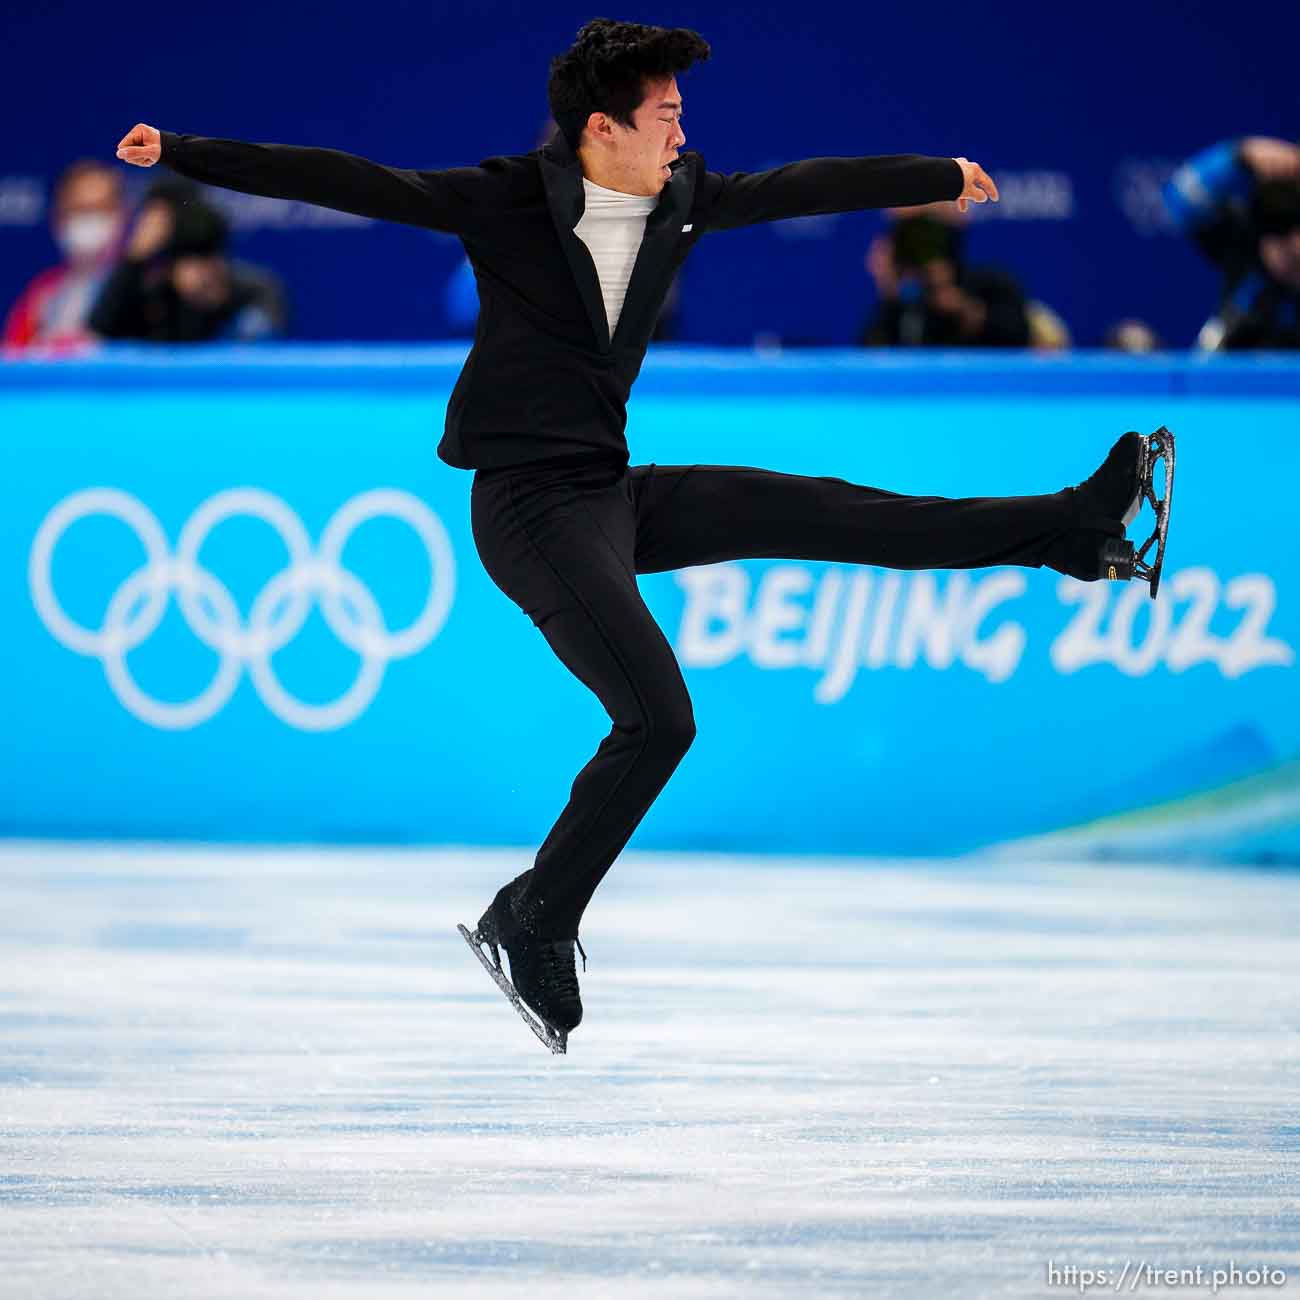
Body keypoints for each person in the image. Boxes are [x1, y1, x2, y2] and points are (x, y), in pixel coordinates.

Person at [114, 17, 1172, 1052]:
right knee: (658, 718)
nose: (680, 132)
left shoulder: (683, 198)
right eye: (663, 114)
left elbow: (801, 185)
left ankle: (1072, 531)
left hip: (610, 487)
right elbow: (350, 181)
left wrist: (929, 174)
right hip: (526, 509)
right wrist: (185, 154)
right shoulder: (508, 202)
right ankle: (533, 915)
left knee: (831, 507)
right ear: (599, 130)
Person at [89, 178, 287, 342]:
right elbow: (101, 328)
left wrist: (209, 301)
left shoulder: (255, 290)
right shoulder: (149, 290)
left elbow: (258, 346)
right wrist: (134, 258)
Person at [1164, 136, 1300, 350]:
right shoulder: (1242, 247)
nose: (1293, 249)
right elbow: (1180, 197)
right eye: (1280, 230)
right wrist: (1239, 155)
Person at [860, 202, 1031, 347]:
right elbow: (871, 358)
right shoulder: (904, 299)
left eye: (931, 232)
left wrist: (965, 309)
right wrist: (890, 292)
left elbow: (1019, 340)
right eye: (913, 234)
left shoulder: (992, 284)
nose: (923, 243)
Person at [3, 159, 127, 351]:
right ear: (58, 217)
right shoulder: (40, 296)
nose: (89, 219)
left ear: (121, 214)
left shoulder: (144, 288)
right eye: (79, 210)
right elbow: (13, 363)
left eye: (100, 208)